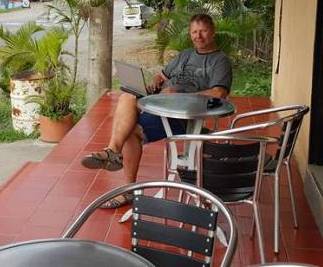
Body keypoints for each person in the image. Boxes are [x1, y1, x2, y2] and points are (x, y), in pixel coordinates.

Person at [80, 13, 232, 208]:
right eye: (194, 31)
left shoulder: (220, 61)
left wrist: (179, 96)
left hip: (183, 115)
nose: (198, 36)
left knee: (131, 132)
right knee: (127, 96)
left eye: (203, 31)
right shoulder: (185, 54)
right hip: (160, 102)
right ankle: (112, 151)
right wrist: (155, 84)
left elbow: (219, 93)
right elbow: (161, 75)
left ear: (213, 32)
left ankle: (126, 186)